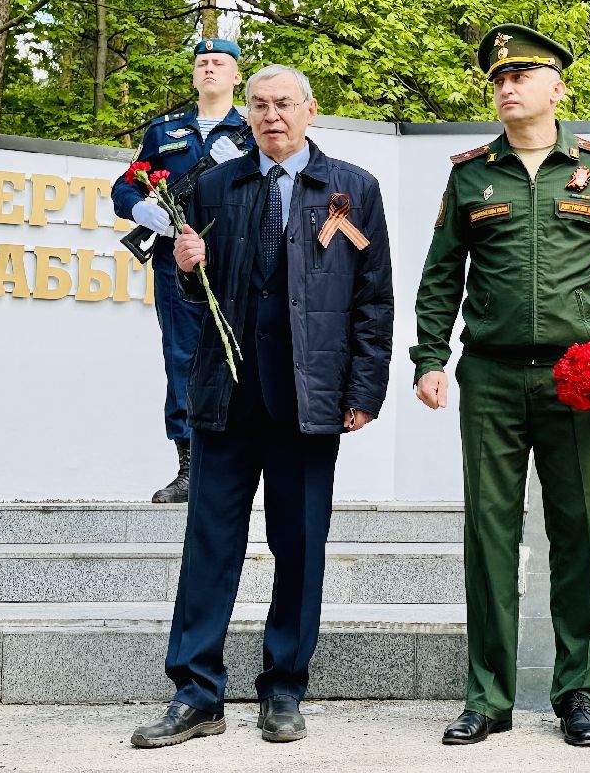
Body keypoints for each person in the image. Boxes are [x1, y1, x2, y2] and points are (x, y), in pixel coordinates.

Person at [129, 63, 393, 749]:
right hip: (227, 396)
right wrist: (188, 270)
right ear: (246, 116)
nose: (271, 115)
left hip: (310, 398)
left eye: (284, 104)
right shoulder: (217, 183)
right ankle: (197, 694)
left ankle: (283, 689)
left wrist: (364, 389)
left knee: (300, 546)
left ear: (310, 111)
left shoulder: (351, 190)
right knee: (210, 544)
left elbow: (373, 298)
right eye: (259, 106)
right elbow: (195, 296)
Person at [411, 24, 590, 748]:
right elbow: (441, 273)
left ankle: (578, 692)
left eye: (521, 75)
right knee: (489, 534)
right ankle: (488, 696)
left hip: (578, 377)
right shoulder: (471, 174)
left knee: (581, 536)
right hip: (488, 376)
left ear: (557, 88)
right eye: (498, 79)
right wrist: (429, 358)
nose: (507, 86)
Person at [111, 37, 251, 503]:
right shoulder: (163, 132)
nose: (210, 68)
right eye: (202, 63)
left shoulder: (255, 128)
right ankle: (190, 465)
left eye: (220, 63)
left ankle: (239, 462)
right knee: (184, 357)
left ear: (236, 75)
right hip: (177, 263)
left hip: (238, 259)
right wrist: (143, 213)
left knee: (245, 352)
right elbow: (125, 186)